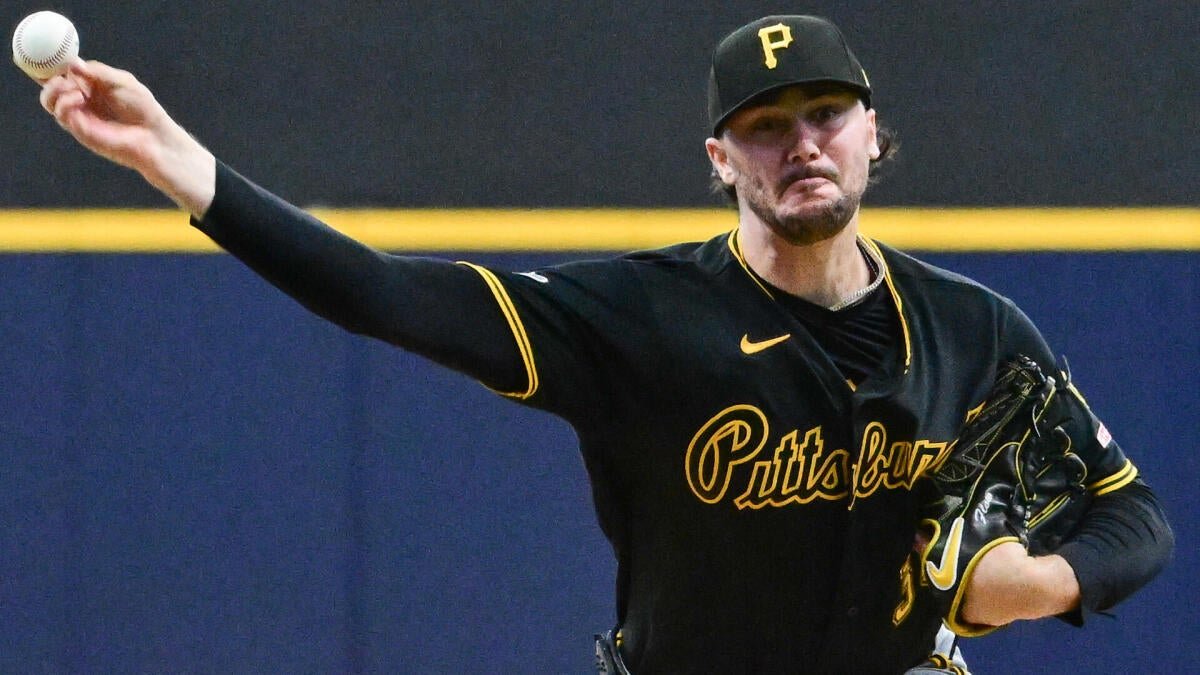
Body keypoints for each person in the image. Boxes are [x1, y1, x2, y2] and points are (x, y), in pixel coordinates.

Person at [36, 14, 1172, 675]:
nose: (801, 145)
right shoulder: (639, 317)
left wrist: (1042, 582)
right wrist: (174, 160)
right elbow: (382, 294)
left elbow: (1136, 517)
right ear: (720, 160)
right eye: (764, 126)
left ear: (872, 132)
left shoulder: (974, 331)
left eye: (826, 114)